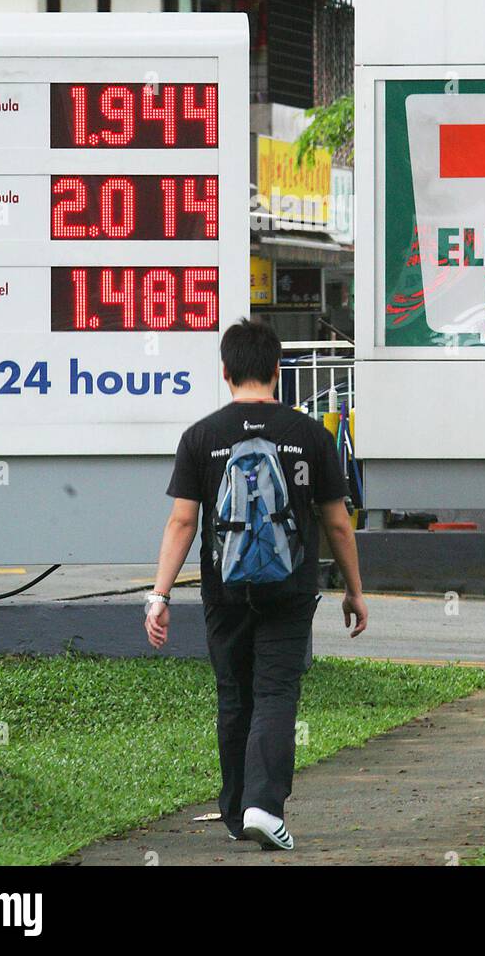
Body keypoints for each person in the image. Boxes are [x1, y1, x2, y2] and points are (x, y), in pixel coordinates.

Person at [144, 318, 368, 852]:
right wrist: (354, 591)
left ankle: (234, 808)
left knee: (234, 694)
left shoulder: (201, 437)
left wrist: (159, 594)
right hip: (289, 589)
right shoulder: (308, 435)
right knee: (275, 692)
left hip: (224, 590)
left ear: (224, 372)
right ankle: (264, 807)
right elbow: (337, 523)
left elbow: (182, 522)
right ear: (276, 370)